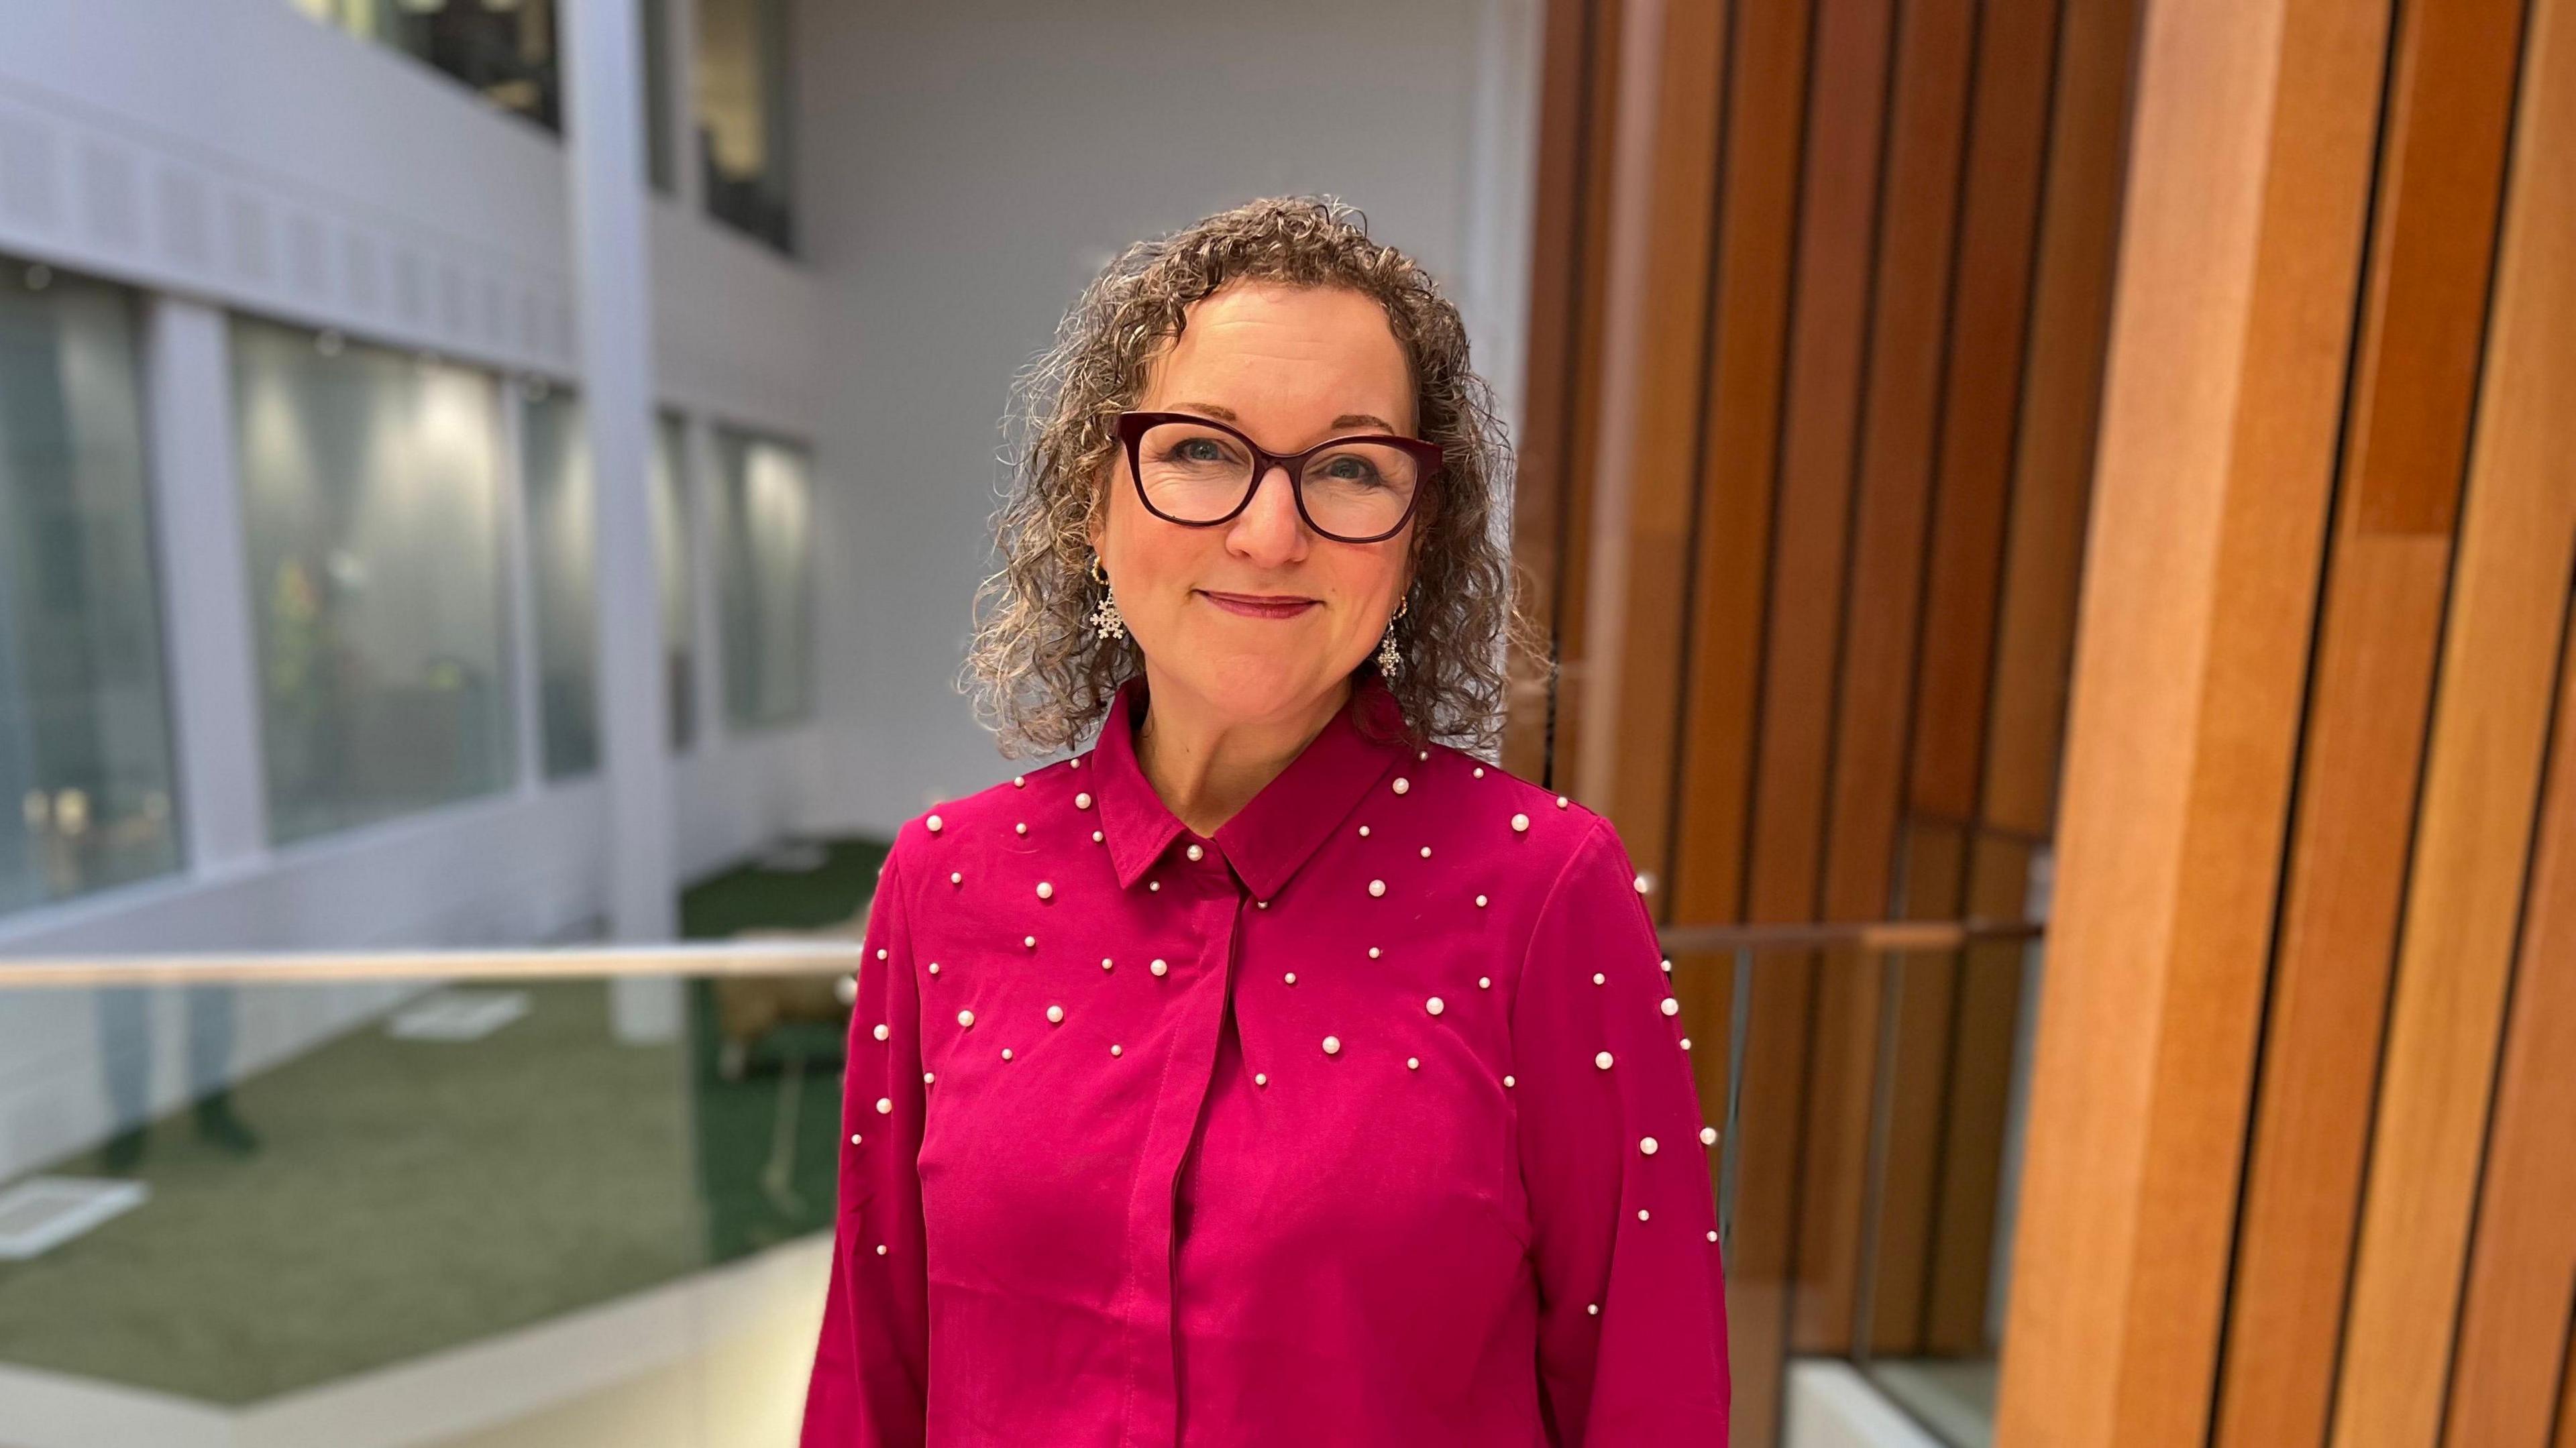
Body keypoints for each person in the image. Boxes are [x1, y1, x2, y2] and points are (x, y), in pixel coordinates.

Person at [800, 196, 1730, 1446]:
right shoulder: (946, 880)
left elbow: (1646, 1393)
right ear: (1094, 495)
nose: (1269, 533)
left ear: (1417, 535)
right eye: (1200, 450)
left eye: (1350, 468)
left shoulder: (1546, 892)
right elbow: (876, 1366)